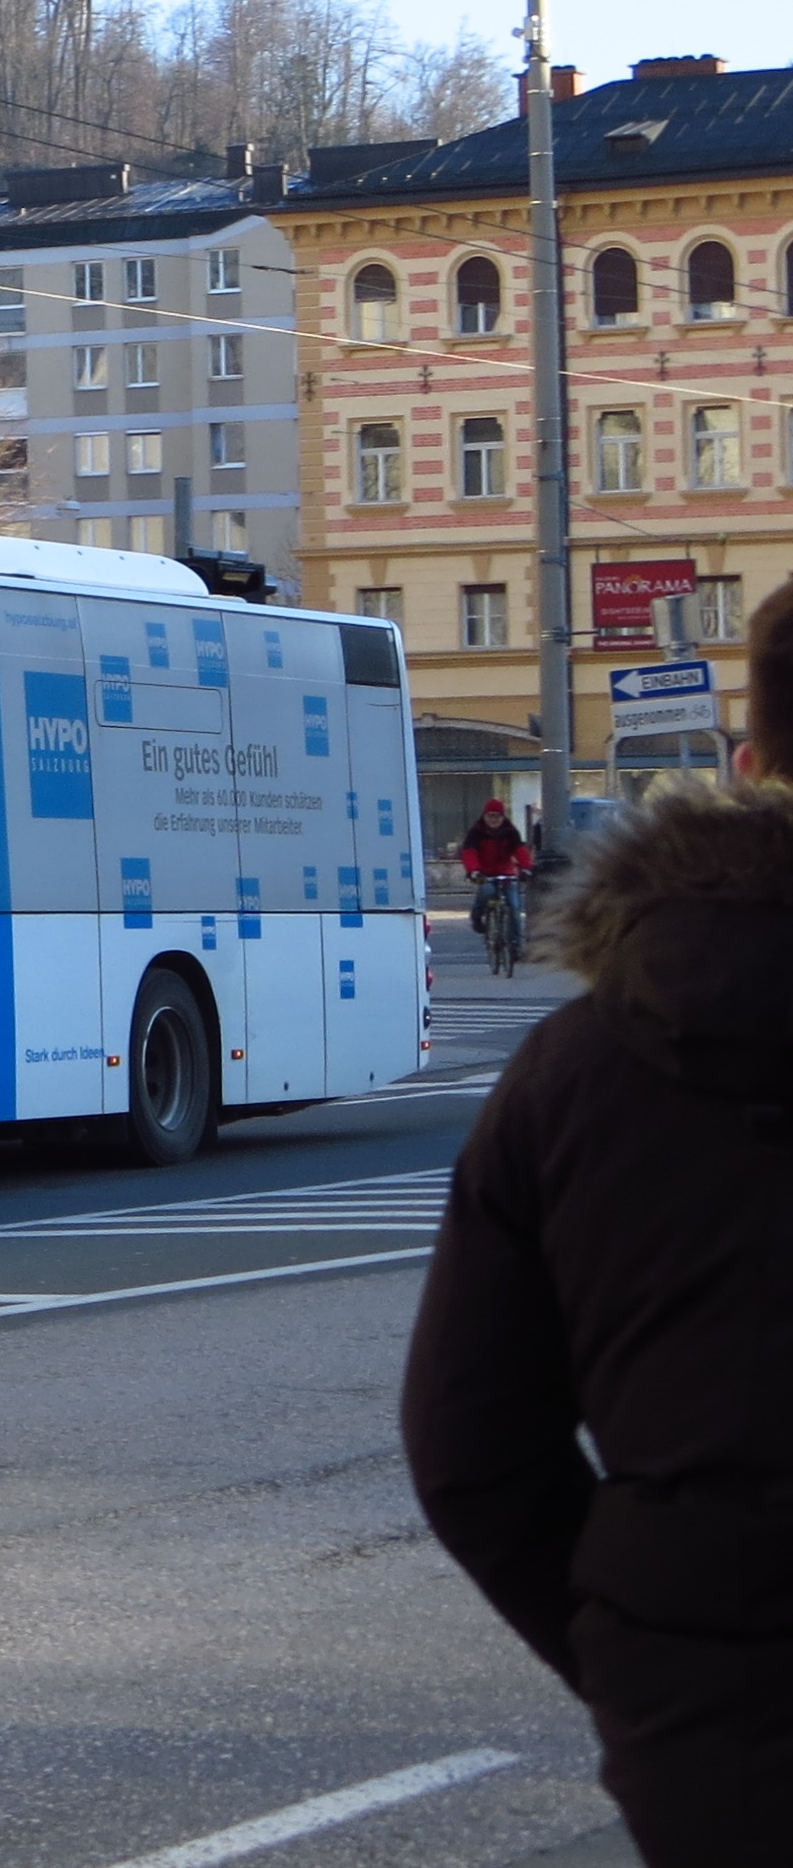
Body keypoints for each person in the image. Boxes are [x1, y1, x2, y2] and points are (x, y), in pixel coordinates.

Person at [402, 578, 793, 1864]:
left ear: (746, 768)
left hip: (717, 1714)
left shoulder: (573, 1070)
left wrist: (644, 1659)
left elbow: (470, 1445)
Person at [456, 799, 532, 934]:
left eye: (497, 816)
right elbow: (469, 853)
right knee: (487, 891)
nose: (493, 819)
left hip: (506, 873)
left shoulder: (511, 831)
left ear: (503, 817)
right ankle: (477, 916)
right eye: (490, 816)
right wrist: (474, 871)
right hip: (484, 874)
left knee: (514, 907)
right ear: (484, 816)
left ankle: (515, 941)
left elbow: (520, 850)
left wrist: (526, 868)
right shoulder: (476, 832)